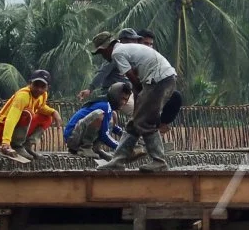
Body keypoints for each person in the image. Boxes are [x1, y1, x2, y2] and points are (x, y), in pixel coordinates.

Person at [91, 32, 178, 172]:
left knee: (144, 122)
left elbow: (133, 79)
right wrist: (138, 104)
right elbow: (138, 85)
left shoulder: (117, 53)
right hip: (163, 79)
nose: (103, 56)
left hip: (158, 80)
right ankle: (117, 161)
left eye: (102, 52)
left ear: (107, 47)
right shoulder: (127, 49)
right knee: (133, 123)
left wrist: (140, 98)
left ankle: (159, 161)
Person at [0, 71, 61, 162]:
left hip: (18, 130)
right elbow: (11, 118)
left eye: (42, 86)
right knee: (27, 113)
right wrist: (6, 142)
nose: (39, 89)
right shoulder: (23, 96)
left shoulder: (43, 95)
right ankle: (16, 146)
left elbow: (41, 107)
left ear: (48, 87)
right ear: (30, 83)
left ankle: (26, 146)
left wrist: (54, 112)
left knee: (47, 117)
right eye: (36, 85)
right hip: (1, 129)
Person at [64, 82, 132, 160]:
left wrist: (125, 134)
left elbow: (109, 127)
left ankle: (96, 148)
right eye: (122, 98)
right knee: (99, 114)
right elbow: (104, 135)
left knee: (113, 115)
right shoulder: (104, 106)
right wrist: (122, 147)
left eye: (126, 100)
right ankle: (85, 147)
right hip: (72, 138)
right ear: (115, 95)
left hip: (79, 135)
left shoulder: (108, 107)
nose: (124, 102)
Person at [78, 28, 140, 103]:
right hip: (115, 95)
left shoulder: (130, 56)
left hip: (127, 94)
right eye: (132, 40)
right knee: (140, 110)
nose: (135, 43)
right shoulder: (116, 55)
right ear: (123, 41)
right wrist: (90, 89)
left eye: (136, 40)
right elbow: (102, 73)